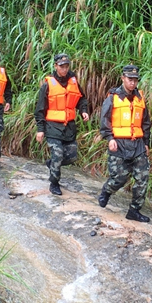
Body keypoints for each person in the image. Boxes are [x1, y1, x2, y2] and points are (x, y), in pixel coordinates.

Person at [98, 64, 152, 223]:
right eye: (130, 79)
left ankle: (134, 210)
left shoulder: (140, 98)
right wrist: (110, 138)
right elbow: (105, 120)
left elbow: (145, 122)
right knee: (119, 178)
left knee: (143, 178)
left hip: (138, 144)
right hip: (119, 144)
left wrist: (146, 142)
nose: (133, 83)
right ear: (123, 78)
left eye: (135, 80)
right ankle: (107, 191)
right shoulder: (113, 97)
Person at [35, 53, 90, 196]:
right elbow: (40, 109)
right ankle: (54, 183)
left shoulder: (74, 82)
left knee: (72, 156)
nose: (64, 69)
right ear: (55, 66)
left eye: (66, 67)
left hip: (69, 127)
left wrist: (83, 111)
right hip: (53, 126)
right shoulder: (48, 85)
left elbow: (81, 99)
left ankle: (52, 163)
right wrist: (40, 130)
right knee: (58, 154)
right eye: (61, 67)